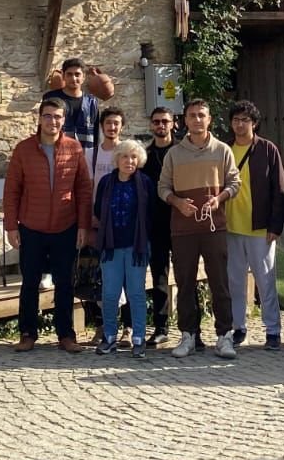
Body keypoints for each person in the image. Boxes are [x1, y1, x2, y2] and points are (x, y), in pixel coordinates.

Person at [3, 97, 92, 354]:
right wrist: (11, 226)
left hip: (66, 226)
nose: (52, 121)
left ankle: (66, 335)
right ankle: (27, 333)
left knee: (65, 282)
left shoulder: (74, 148)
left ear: (64, 120)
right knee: (30, 281)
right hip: (32, 226)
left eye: (57, 117)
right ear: (40, 118)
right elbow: (12, 190)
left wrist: (83, 226)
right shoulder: (23, 150)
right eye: (48, 116)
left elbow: (84, 189)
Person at [158, 99, 241, 360]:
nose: (196, 119)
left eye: (201, 115)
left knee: (220, 282)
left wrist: (220, 198)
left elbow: (234, 183)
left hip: (214, 227)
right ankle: (188, 335)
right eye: (192, 115)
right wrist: (177, 202)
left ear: (209, 119)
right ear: (184, 120)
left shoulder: (223, 150)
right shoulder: (174, 154)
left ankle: (224, 335)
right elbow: (162, 187)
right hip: (183, 230)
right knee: (184, 283)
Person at [225, 100, 284, 351]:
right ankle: (238, 327)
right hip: (230, 226)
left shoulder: (267, 149)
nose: (240, 124)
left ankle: (273, 330)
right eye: (236, 120)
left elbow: (279, 189)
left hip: (260, 227)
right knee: (235, 282)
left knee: (265, 281)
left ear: (254, 123)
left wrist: (275, 225)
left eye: (245, 120)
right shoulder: (225, 149)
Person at [94, 138, 152, 358]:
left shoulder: (145, 183)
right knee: (109, 294)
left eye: (134, 157)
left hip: (136, 247)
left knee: (136, 293)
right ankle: (109, 337)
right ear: (117, 159)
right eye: (125, 156)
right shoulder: (106, 182)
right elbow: (98, 210)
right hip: (111, 247)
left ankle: (139, 338)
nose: (130, 161)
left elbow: (151, 213)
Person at [79, 105, 127, 342]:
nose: (112, 127)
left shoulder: (128, 151)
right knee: (98, 273)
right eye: (108, 123)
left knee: (126, 274)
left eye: (116, 123)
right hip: (98, 221)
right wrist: (89, 217)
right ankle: (101, 326)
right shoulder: (91, 154)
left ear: (122, 127)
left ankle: (128, 327)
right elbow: (87, 188)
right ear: (101, 126)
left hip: (122, 222)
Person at [141, 107, 177, 344]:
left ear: (173, 124)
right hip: (155, 224)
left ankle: (191, 328)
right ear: (151, 125)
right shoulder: (145, 156)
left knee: (186, 275)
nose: (160, 125)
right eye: (156, 122)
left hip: (180, 220)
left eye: (165, 121)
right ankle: (161, 327)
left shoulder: (183, 151)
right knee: (159, 277)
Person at [43, 58, 100, 153]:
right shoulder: (51, 98)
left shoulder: (92, 102)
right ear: (63, 76)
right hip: (57, 154)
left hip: (85, 156)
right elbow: (43, 127)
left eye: (77, 74)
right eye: (69, 74)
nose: (73, 78)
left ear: (83, 77)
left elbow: (96, 133)